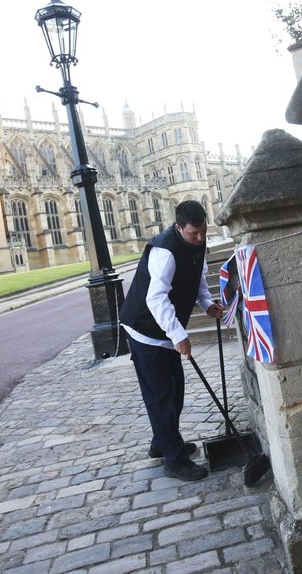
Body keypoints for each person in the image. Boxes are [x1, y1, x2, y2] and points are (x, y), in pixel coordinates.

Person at [119, 200, 223, 481]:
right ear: (179, 228)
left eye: (202, 231)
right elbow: (155, 298)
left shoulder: (196, 242)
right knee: (162, 397)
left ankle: (162, 443)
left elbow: (196, 276)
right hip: (145, 330)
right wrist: (179, 335)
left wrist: (206, 304)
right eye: (193, 234)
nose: (199, 238)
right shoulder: (164, 252)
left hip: (164, 330)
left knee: (175, 392)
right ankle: (175, 461)